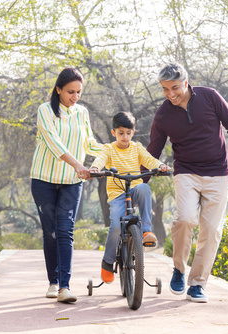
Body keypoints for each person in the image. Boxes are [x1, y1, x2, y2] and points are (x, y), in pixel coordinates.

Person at [147, 63, 228, 303]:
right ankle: (179, 269)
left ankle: (197, 284)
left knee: (211, 231)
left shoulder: (210, 97)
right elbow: (153, 151)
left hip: (218, 174)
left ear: (186, 81)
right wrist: (140, 178)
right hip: (187, 172)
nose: (170, 94)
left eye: (174, 87)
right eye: (164, 89)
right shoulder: (163, 114)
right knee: (185, 219)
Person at [30, 67, 102, 303]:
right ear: (58, 89)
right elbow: (53, 142)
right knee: (50, 233)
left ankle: (64, 287)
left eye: (79, 92)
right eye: (71, 92)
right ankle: (53, 281)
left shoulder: (82, 113)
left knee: (65, 232)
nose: (75, 97)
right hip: (44, 180)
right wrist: (78, 165)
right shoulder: (45, 110)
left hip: (72, 182)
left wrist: (119, 151)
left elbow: (90, 144)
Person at [89, 111, 170, 284]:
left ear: (133, 132)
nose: (125, 137)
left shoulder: (137, 147)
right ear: (114, 133)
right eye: (121, 133)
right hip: (117, 194)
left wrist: (160, 165)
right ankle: (108, 262)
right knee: (117, 226)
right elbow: (101, 159)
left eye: (128, 133)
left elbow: (149, 160)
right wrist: (95, 168)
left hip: (134, 189)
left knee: (144, 187)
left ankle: (146, 230)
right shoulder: (109, 149)